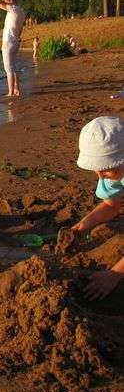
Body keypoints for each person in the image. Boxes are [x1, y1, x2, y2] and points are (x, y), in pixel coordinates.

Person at [70, 116, 124, 300]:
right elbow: (111, 205)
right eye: (97, 168)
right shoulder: (111, 172)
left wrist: (115, 274)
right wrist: (85, 223)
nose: (100, 175)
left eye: (108, 169)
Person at [0, 0, 26, 97]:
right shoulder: (21, 11)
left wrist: (4, 0)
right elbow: (21, 29)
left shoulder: (12, 8)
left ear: (11, 0)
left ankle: (10, 92)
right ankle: (17, 90)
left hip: (8, 42)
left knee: (8, 69)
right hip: (16, 40)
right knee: (14, 67)